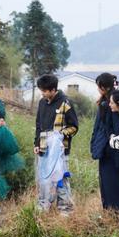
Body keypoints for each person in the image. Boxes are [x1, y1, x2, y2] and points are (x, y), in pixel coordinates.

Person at [34, 74, 79, 213]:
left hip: (60, 151)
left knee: (61, 180)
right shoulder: (42, 102)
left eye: (45, 91)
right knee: (43, 179)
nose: (42, 93)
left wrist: (59, 135)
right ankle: (43, 206)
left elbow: (74, 127)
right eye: (41, 90)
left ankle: (65, 208)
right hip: (43, 148)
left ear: (53, 90)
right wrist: (36, 143)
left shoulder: (65, 103)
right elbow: (38, 124)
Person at [90, 73, 119, 212]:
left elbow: (115, 129)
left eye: (98, 86)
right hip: (106, 149)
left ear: (103, 87)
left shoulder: (111, 103)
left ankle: (115, 214)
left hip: (111, 150)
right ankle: (110, 213)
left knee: (112, 184)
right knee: (107, 183)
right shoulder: (106, 101)